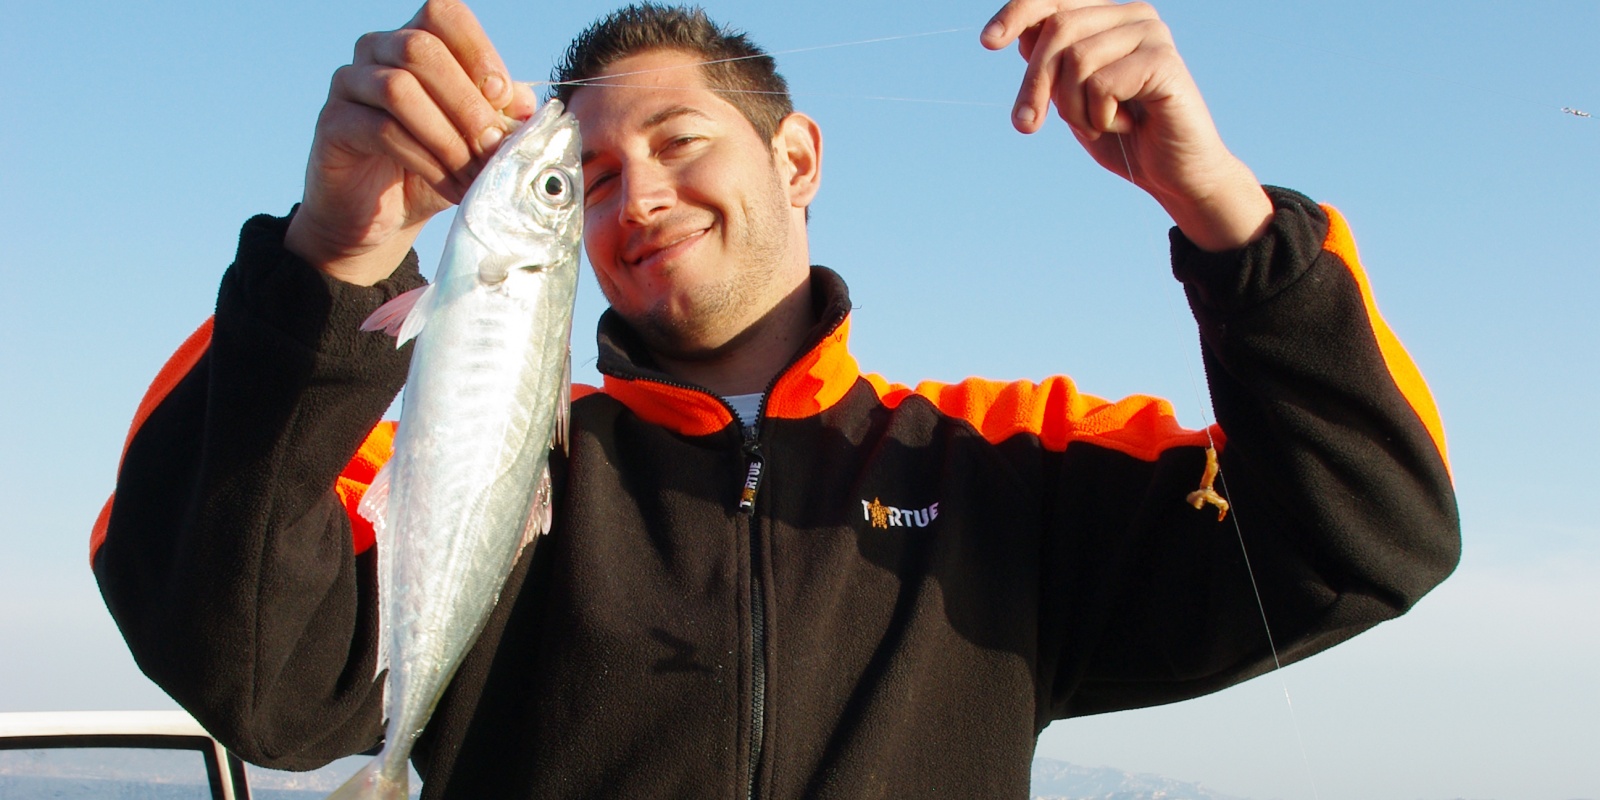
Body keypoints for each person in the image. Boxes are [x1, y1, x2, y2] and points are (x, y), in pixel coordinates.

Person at [91, 0, 1460, 796]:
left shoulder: (1010, 465)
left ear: (797, 156)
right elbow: (246, 669)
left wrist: (1220, 210)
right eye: (593, 179)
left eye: (679, 144)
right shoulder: (490, 448)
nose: (638, 200)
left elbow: (1368, 537)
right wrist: (329, 260)